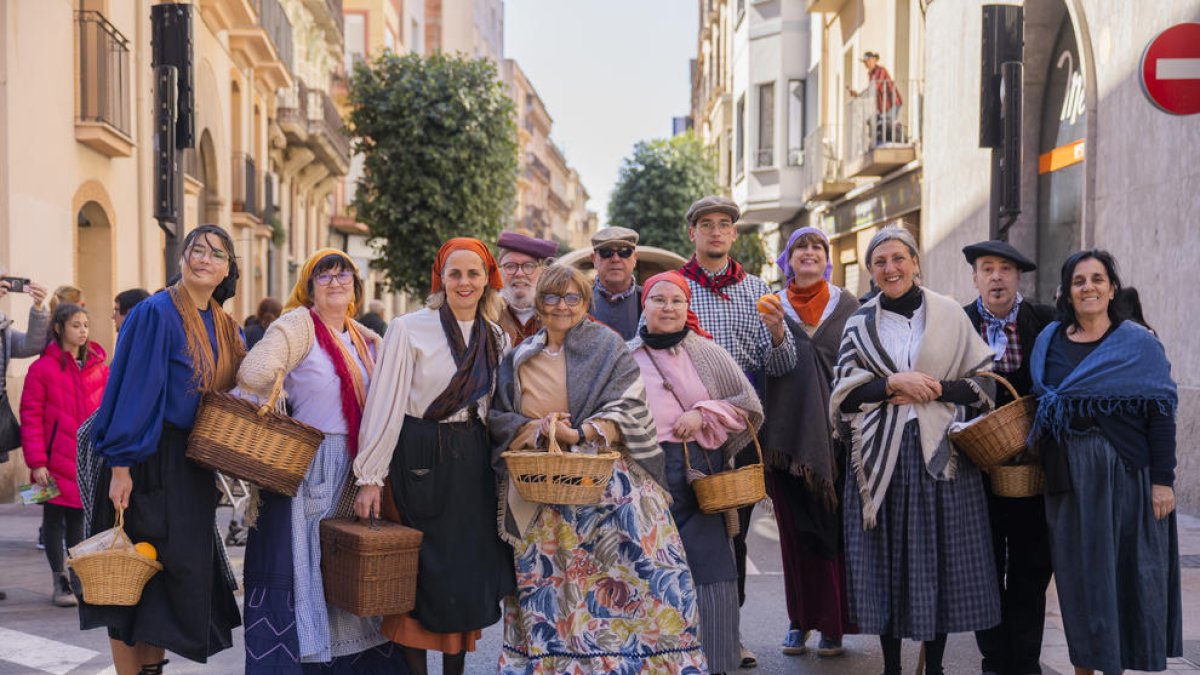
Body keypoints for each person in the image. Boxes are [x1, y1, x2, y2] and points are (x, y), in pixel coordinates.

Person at [489, 264, 706, 673]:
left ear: (586, 302)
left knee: (644, 584)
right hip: (543, 493)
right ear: (540, 302)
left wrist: (582, 433)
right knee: (556, 592)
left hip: (611, 490)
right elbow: (499, 417)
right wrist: (536, 430)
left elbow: (630, 404)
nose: (561, 306)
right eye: (552, 297)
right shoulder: (519, 355)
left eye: (572, 297)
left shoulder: (608, 345)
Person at [829, 227, 1000, 675]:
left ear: (915, 262)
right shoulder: (859, 323)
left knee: (936, 562)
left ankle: (937, 666)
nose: (890, 268)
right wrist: (889, 384)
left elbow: (983, 384)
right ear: (871, 271)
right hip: (879, 460)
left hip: (940, 456)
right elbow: (843, 396)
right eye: (880, 262)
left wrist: (934, 387)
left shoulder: (948, 314)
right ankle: (890, 667)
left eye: (898, 258)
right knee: (887, 563)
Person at [81, 224, 245, 674]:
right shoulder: (155, 313)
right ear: (182, 258)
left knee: (170, 588)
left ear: (228, 270)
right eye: (196, 249)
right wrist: (121, 466)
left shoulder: (225, 326)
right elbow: (133, 389)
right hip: (145, 461)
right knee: (130, 586)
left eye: (216, 254)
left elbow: (243, 386)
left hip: (190, 468)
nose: (203, 258)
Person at [235, 249, 407, 672]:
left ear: (356, 286)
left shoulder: (367, 339)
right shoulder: (298, 325)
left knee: (348, 565)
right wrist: (280, 402)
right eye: (323, 275)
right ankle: (310, 659)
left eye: (343, 273)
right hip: (310, 463)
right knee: (307, 565)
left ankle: (350, 660)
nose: (335, 281)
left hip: (359, 466)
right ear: (309, 286)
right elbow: (254, 374)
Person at [352, 238, 514, 675]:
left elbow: (498, 409)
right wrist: (371, 476)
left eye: (473, 273)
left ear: (487, 280)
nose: (464, 282)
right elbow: (385, 402)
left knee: (464, 570)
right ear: (441, 279)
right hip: (418, 456)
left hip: (472, 463)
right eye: (455, 273)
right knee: (420, 572)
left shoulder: (495, 336)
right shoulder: (408, 328)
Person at [1030, 249, 1181, 674]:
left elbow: (1161, 413)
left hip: (1125, 475)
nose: (1089, 287)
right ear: (1067, 291)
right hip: (1068, 479)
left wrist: (1163, 481)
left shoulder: (1138, 343)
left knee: (1126, 576)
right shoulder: (1050, 342)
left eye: (1097, 279)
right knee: (1078, 581)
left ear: (1112, 288)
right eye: (1079, 281)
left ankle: (1117, 664)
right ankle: (1085, 668)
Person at [678, 195, 795, 668]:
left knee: (736, 534)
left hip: (740, 433)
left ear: (732, 234)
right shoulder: (674, 287)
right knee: (680, 532)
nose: (715, 232)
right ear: (693, 233)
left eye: (723, 224)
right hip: (684, 428)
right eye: (706, 224)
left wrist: (779, 333)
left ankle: (732, 633)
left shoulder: (758, 290)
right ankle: (683, 635)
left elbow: (782, 366)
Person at [630, 270, 763, 675]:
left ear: (687, 308)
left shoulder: (706, 351)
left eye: (676, 301)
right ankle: (657, 663)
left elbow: (748, 406)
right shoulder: (625, 354)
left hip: (698, 471)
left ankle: (716, 662)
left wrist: (701, 412)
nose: (668, 307)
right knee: (647, 571)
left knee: (710, 570)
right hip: (642, 472)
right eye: (659, 300)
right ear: (645, 305)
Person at [763, 227, 860, 658]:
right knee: (795, 535)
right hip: (785, 438)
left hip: (841, 438)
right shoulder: (768, 306)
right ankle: (799, 620)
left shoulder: (850, 305)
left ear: (827, 259)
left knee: (834, 536)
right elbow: (758, 365)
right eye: (800, 246)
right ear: (787, 260)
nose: (809, 252)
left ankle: (833, 624)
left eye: (817, 246)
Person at [961, 240, 1055, 675]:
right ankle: (994, 660)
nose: (996, 277)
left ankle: (1026, 661)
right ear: (975, 277)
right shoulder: (957, 324)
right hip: (975, 469)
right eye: (987, 269)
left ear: (1019, 278)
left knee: (1032, 567)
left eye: (1005, 269)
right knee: (983, 569)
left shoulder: (1047, 323)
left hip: (1034, 469)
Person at [20, 303, 108, 607]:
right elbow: (30, 417)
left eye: (85, 325)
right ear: (58, 328)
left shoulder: (98, 366)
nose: (82, 331)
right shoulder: (40, 369)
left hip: (86, 460)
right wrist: (37, 463)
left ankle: (78, 579)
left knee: (80, 520)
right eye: (75, 325)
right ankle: (60, 581)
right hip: (52, 461)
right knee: (54, 519)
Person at [496, 230, 557, 346]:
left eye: (528, 266)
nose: (519, 273)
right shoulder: (487, 313)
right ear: (499, 273)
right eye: (510, 266)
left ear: (541, 272)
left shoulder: (558, 311)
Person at [587, 226, 641, 339]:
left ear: (635, 258)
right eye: (606, 252)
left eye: (624, 252)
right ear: (594, 260)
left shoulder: (649, 300)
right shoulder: (579, 302)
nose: (615, 259)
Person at [852, 51, 904, 144]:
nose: (866, 64)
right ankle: (890, 141)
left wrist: (862, 95)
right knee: (885, 125)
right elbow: (872, 91)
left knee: (890, 123)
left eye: (867, 61)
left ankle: (901, 138)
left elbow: (876, 87)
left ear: (874, 60)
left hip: (892, 102)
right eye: (865, 62)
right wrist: (858, 95)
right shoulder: (871, 75)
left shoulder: (881, 71)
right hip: (884, 106)